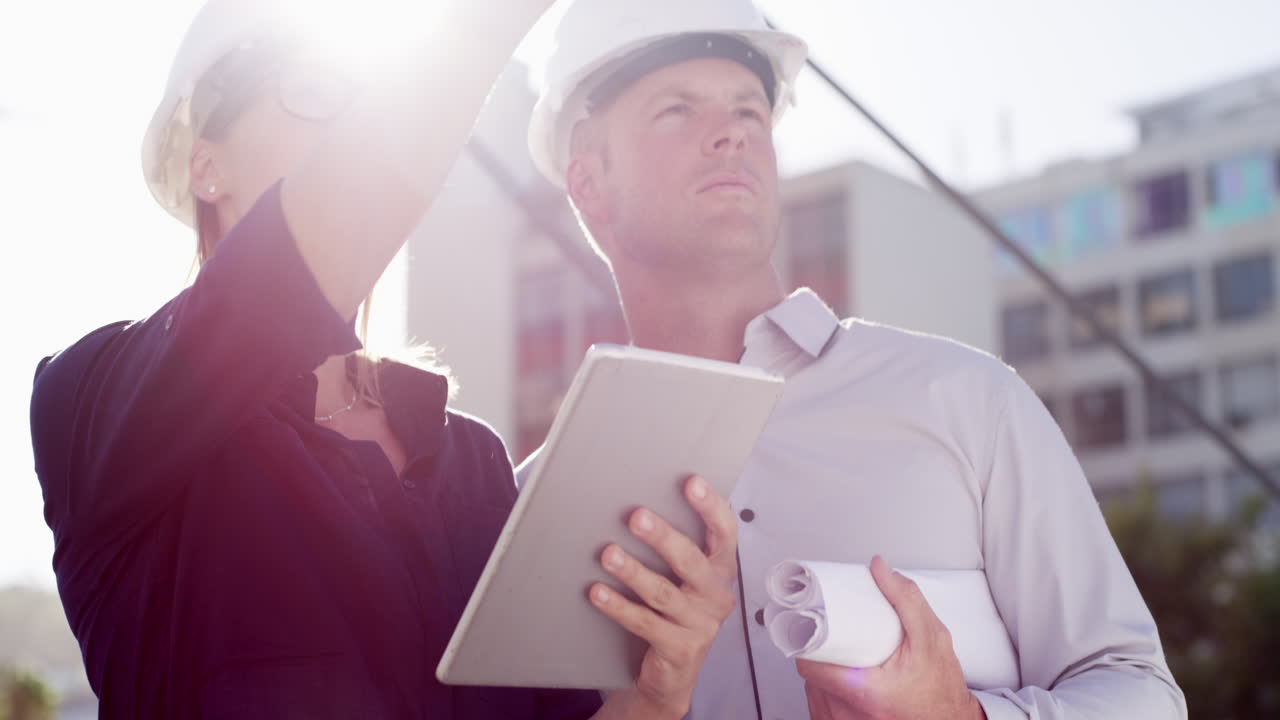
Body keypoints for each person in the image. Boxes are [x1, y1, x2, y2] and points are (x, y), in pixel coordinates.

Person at [28, 0, 736, 717]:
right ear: (205, 165)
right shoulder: (97, 403)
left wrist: (655, 694)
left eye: (369, 103)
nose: (358, 130)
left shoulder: (473, 460)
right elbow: (293, 258)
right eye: (311, 93)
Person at [522, 0, 1189, 718]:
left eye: (750, 110)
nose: (731, 135)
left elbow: (1142, 694)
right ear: (589, 183)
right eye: (677, 110)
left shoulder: (968, 402)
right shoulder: (524, 511)